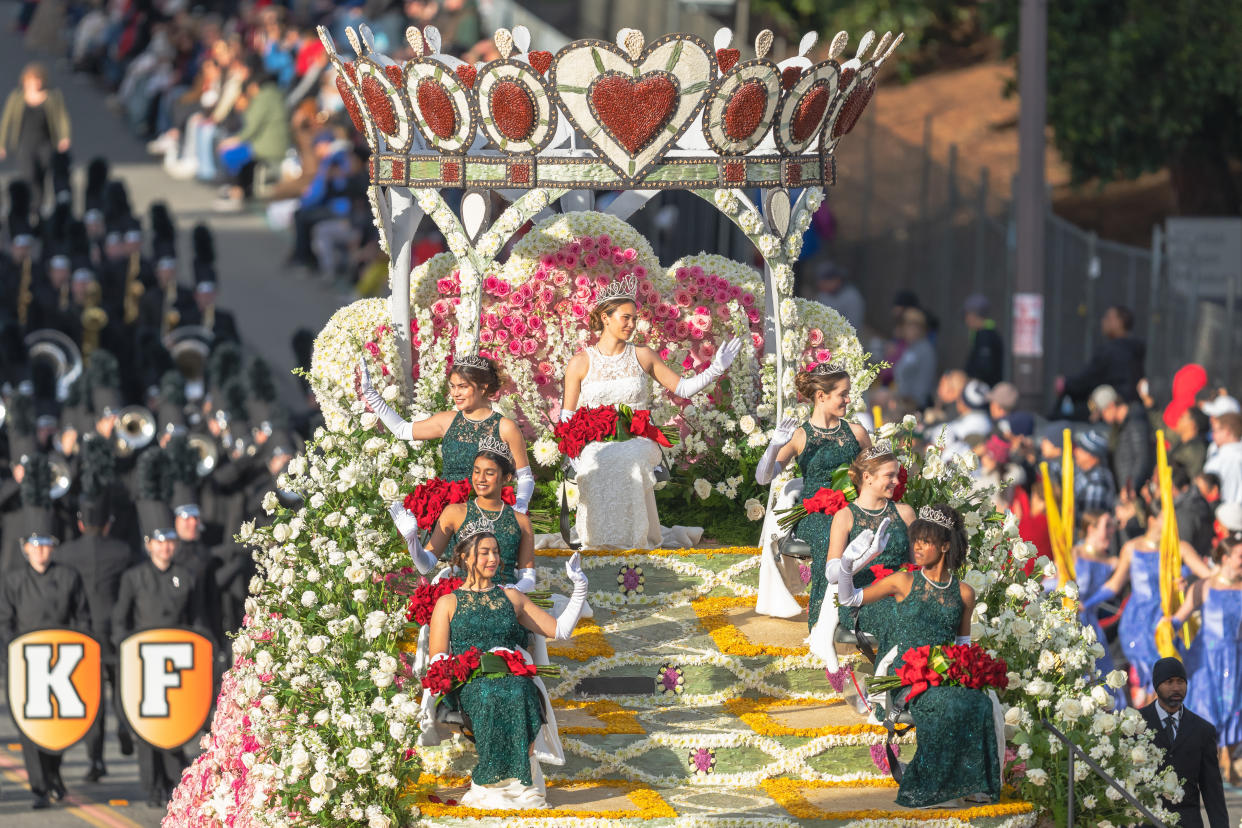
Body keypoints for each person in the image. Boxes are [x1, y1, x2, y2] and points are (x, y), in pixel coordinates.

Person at [835, 503, 1001, 807]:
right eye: (916, 540)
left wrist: (970, 674)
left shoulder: (964, 593)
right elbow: (849, 599)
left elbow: (962, 645)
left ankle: (972, 783)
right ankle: (932, 786)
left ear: (945, 545)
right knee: (945, 702)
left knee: (979, 700)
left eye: (926, 540)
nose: (918, 546)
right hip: (907, 675)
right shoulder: (903, 581)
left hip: (944, 674)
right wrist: (847, 565)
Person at [559, 278, 741, 548]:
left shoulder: (642, 355)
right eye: (625, 318)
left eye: (634, 318)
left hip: (639, 438)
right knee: (596, 461)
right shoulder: (580, 362)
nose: (632, 325)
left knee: (627, 460)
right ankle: (596, 540)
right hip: (594, 440)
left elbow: (682, 388)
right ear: (604, 318)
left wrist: (715, 368)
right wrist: (573, 449)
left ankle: (634, 541)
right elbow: (568, 416)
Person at [426, 531, 588, 807]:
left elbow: (558, 630)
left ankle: (523, 784)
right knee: (489, 693)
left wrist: (580, 588)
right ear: (465, 557)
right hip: (469, 681)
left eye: (496, 552)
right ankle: (490, 783)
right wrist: (454, 676)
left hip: (513, 675)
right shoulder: (448, 602)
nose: (493, 558)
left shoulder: (512, 597)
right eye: (484, 552)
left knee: (519, 690)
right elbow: (437, 658)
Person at [754, 362, 872, 630]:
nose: (848, 399)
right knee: (832, 537)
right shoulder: (799, 436)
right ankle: (823, 623)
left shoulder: (856, 432)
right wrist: (773, 447)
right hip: (814, 514)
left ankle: (866, 615)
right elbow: (763, 477)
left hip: (853, 510)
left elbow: (874, 475)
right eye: (843, 393)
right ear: (822, 396)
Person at [112, 503, 205, 808]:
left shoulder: (187, 576)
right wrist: (126, 651)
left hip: (178, 665)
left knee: (176, 726)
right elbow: (120, 622)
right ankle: (153, 787)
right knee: (146, 727)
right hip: (145, 665)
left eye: (170, 540)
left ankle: (174, 783)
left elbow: (196, 622)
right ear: (148, 544)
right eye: (159, 540)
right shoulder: (133, 577)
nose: (165, 547)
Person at [0, 504, 91, 809]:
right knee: (29, 727)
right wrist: (12, 655)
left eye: (46, 544)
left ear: (54, 546)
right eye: (35, 545)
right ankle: (40, 787)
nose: (40, 551)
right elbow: (5, 623)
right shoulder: (12, 581)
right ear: (25, 548)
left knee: (58, 726)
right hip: (26, 666)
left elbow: (82, 619)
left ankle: (53, 774)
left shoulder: (69, 577)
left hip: (63, 663)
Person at [1081, 494, 1212, 705]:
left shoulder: (1180, 548)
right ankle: (1148, 729)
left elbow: (1210, 578)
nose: (1171, 522)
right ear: (1152, 520)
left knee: (1163, 678)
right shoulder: (1132, 548)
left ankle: (1156, 730)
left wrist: (1187, 578)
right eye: (1165, 517)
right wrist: (1086, 604)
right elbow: (1114, 585)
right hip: (1137, 626)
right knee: (1149, 680)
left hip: (1165, 624)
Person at [359, 353, 535, 509]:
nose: (455, 393)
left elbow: (525, 476)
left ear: (483, 388)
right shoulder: (447, 421)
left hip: (487, 512)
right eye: (452, 386)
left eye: (463, 386)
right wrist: (371, 395)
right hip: (447, 510)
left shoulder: (505, 427)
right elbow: (401, 429)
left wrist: (520, 505)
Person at [54, 491, 137, 782]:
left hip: (83, 633)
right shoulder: (122, 551)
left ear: (80, 523)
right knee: (122, 688)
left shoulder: (64, 553)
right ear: (108, 523)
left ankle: (96, 760)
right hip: (115, 631)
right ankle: (126, 727)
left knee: (93, 701)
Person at [393, 440, 535, 589]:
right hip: (465, 599)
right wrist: (412, 539)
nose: (480, 479)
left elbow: (529, 577)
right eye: (477, 471)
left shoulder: (521, 521)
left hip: (508, 599)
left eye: (489, 473)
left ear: (506, 477)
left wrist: (508, 593)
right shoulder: (455, 512)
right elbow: (425, 566)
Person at [825, 443, 915, 652]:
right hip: (861, 599)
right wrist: (866, 556)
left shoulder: (905, 513)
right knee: (901, 619)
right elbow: (831, 574)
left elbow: (917, 566)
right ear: (867, 477)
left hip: (902, 592)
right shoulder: (845, 516)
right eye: (890, 476)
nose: (896, 481)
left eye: (897, 476)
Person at [1174, 532, 1242, 786]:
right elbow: (1179, 617)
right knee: (1206, 714)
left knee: (1234, 711)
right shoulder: (1204, 586)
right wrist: (1165, 630)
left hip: (1235, 659)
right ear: (1224, 558)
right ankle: (1201, 771)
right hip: (1206, 659)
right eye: (1240, 556)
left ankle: (1227, 757)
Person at [1140, 657, 1229, 828]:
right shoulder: (1135, 723)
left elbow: (1212, 789)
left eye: (1180, 682)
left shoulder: (1203, 730)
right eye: (1169, 681)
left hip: (1188, 822)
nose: (1176, 688)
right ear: (1156, 685)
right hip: (1145, 820)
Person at [0, 63, 72, 211]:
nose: (35, 84)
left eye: (37, 80)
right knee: (28, 176)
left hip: (45, 143)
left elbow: (61, 117)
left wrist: (64, 136)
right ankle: (30, 206)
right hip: (25, 144)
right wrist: (1, 143)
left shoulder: (52, 96)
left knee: (43, 175)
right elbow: (6, 121)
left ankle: (40, 207)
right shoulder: (17, 98)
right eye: (31, 80)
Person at [1070, 509, 1123, 705]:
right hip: (1070, 621)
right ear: (1091, 529)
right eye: (1107, 526)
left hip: (1092, 625)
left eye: (1113, 526)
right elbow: (1050, 582)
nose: (1112, 531)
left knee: (1102, 675)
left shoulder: (1112, 562)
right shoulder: (1073, 553)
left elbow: (1115, 586)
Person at [1060, 305, 1146, 407]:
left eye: (1108, 318)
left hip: (1111, 410)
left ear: (1120, 322)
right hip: (1133, 409)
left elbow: (1087, 380)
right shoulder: (1134, 348)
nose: (1103, 321)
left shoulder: (1111, 351)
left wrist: (1065, 384)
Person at [1091, 384, 1154, 497]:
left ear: (1111, 405)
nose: (1103, 418)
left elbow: (1141, 457)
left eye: (1102, 413)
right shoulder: (1121, 426)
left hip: (1135, 493)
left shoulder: (1135, 422)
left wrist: (1131, 486)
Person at [891, 307, 936, 410]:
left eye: (912, 327)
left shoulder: (925, 350)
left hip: (912, 405)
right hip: (901, 400)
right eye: (906, 326)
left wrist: (911, 404)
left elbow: (924, 383)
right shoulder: (911, 347)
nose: (908, 330)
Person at [962, 293, 1003, 386]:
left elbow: (984, 367)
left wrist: (969, 380)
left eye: (967, 315)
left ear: (973, 315)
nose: (966, 320)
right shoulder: (988, 333)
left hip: (982, 393)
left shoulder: (985, 335)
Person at [812, 260, 864, 333]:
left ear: (837, 280)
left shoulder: (852, 297)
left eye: (825, 281)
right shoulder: (823, 295)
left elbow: (853, 326)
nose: (820, 284)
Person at [1073, 430, 1118, 513]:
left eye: (1081, 449)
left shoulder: (1097, 481)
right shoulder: (1082, 471)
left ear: (1092, 456)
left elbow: (1090, 519)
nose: (1075, 452)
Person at [1204, 412, 1242, 505]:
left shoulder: (1219, 461)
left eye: (1215, 431)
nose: (1213, 435)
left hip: (1223, 513)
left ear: (1227, 432)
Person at [1172, 406, 1211, 480]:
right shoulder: (1181, 443)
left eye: (1182, 417)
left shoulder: (1195, 450)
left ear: (1192, 424)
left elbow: (1193, 478)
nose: (1178, 419)